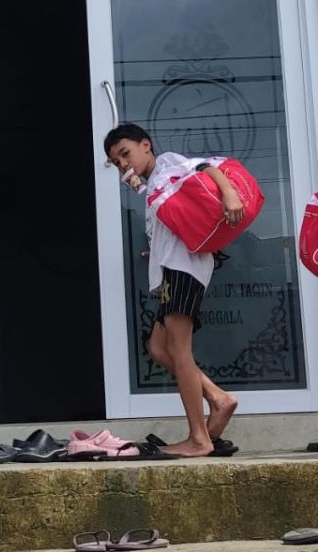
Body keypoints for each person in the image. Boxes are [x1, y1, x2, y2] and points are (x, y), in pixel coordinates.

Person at [103, 123, 241, 457]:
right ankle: (218, 398)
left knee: (179, 351)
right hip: (173, 269)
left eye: (126, 153)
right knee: (157, 347)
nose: (124, 164)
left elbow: (206, 166)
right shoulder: (157, 186)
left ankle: (199, 438)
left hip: (183, 269)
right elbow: (176, 222)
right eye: (116, 162)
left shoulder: (166, 163)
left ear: (145, 146)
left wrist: (230, 194)